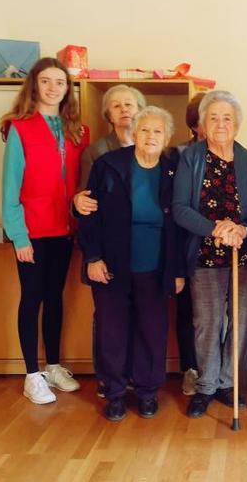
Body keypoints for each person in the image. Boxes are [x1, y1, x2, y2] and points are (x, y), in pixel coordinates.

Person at [78, 106, 185, 421]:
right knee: (113, 332)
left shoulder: (172, 171)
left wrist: (178, 270)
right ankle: (113, 393)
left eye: (158, 131)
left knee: (151, 331)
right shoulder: (109, 165)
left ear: (166, 138)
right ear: (134, 133)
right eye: (145, 130)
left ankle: (147, 392)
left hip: (156, 268)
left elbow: (178, 228)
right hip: (111, 267)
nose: (151, 136)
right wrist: (93, 257)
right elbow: (89, 214)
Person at [1, 57, 88, 404]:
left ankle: (52, 365)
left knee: (55, 298)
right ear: (35, 85)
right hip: (32, 232)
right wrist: (19, 236)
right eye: (47, 81)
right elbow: (10, 189)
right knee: (32, 297)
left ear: (68, 88)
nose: (54, 88)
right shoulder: (20, 128)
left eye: (60, 82)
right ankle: (31, 374)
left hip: (64, 229)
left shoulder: (77, 130)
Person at [173, 90, 247, 417]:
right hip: (205, 256)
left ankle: (228, 382)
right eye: (213, 118)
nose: (221, 124)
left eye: (227, 118)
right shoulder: (190, 158)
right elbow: (180, 209)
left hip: (243, 254)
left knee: (240, 322)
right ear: (203, 125)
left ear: (236, 124)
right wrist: (215, 229)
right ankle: (206, 385)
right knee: (207, 323)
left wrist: (241, 229)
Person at [70, 84, 146, 399]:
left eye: (130, 104)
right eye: (116, 106)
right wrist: (93, 256)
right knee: (108, 318)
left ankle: (134, 375)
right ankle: (108, 377)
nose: (124, 110)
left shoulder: (154, 148)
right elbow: (87, 204)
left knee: (139, 316)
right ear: (108, 114)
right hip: (108, 249)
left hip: (143, 250)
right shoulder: (97, 152)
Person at [174, 92, 206, 397]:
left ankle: (217, 373)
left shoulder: (240, 157)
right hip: (187, 246)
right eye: (208, 117)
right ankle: (190, 369)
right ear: (195, 124)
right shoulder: (180, 154)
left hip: (225, 249)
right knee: (188, 313)